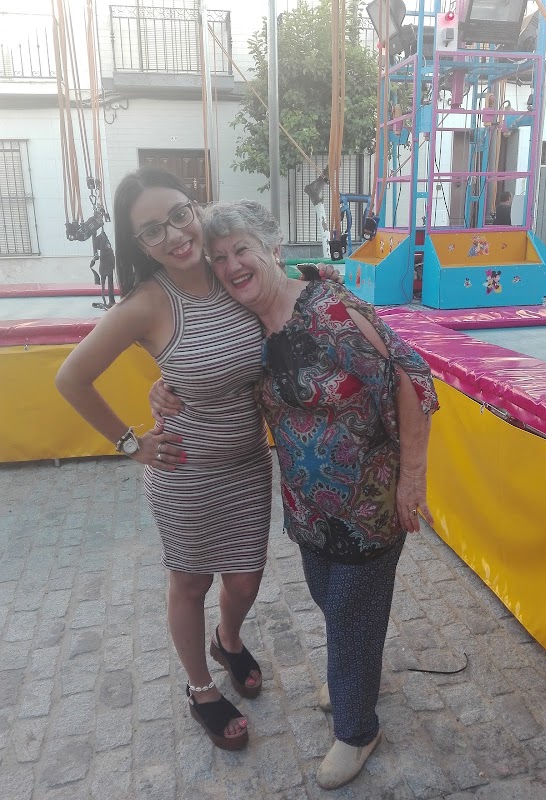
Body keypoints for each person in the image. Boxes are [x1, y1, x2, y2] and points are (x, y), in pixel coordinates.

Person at [152, 199, 439, 789]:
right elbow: (208, 368)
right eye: (219, 257)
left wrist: (413, 477)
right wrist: (165, 385)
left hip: (367, 503)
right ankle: (353, 676)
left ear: (273, 250)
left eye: (242, 250)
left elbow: (410, 377)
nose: (231, 265)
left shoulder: (330, 310)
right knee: (334, 603)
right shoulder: (248, 326)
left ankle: (357, 729)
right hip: (308, 507)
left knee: (352, 613)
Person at [56, 168, 272, 752]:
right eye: (153, 230)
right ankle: (201, 689)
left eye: (179, 214)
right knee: (191, 582)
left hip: (249, 465)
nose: (175, 235)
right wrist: (131, 443)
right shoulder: (148, 303)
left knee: (245, 580)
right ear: (141, 246)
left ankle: (228, 641)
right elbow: (70, 377)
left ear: (196, 208)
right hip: (184, 471)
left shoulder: (232, 269)